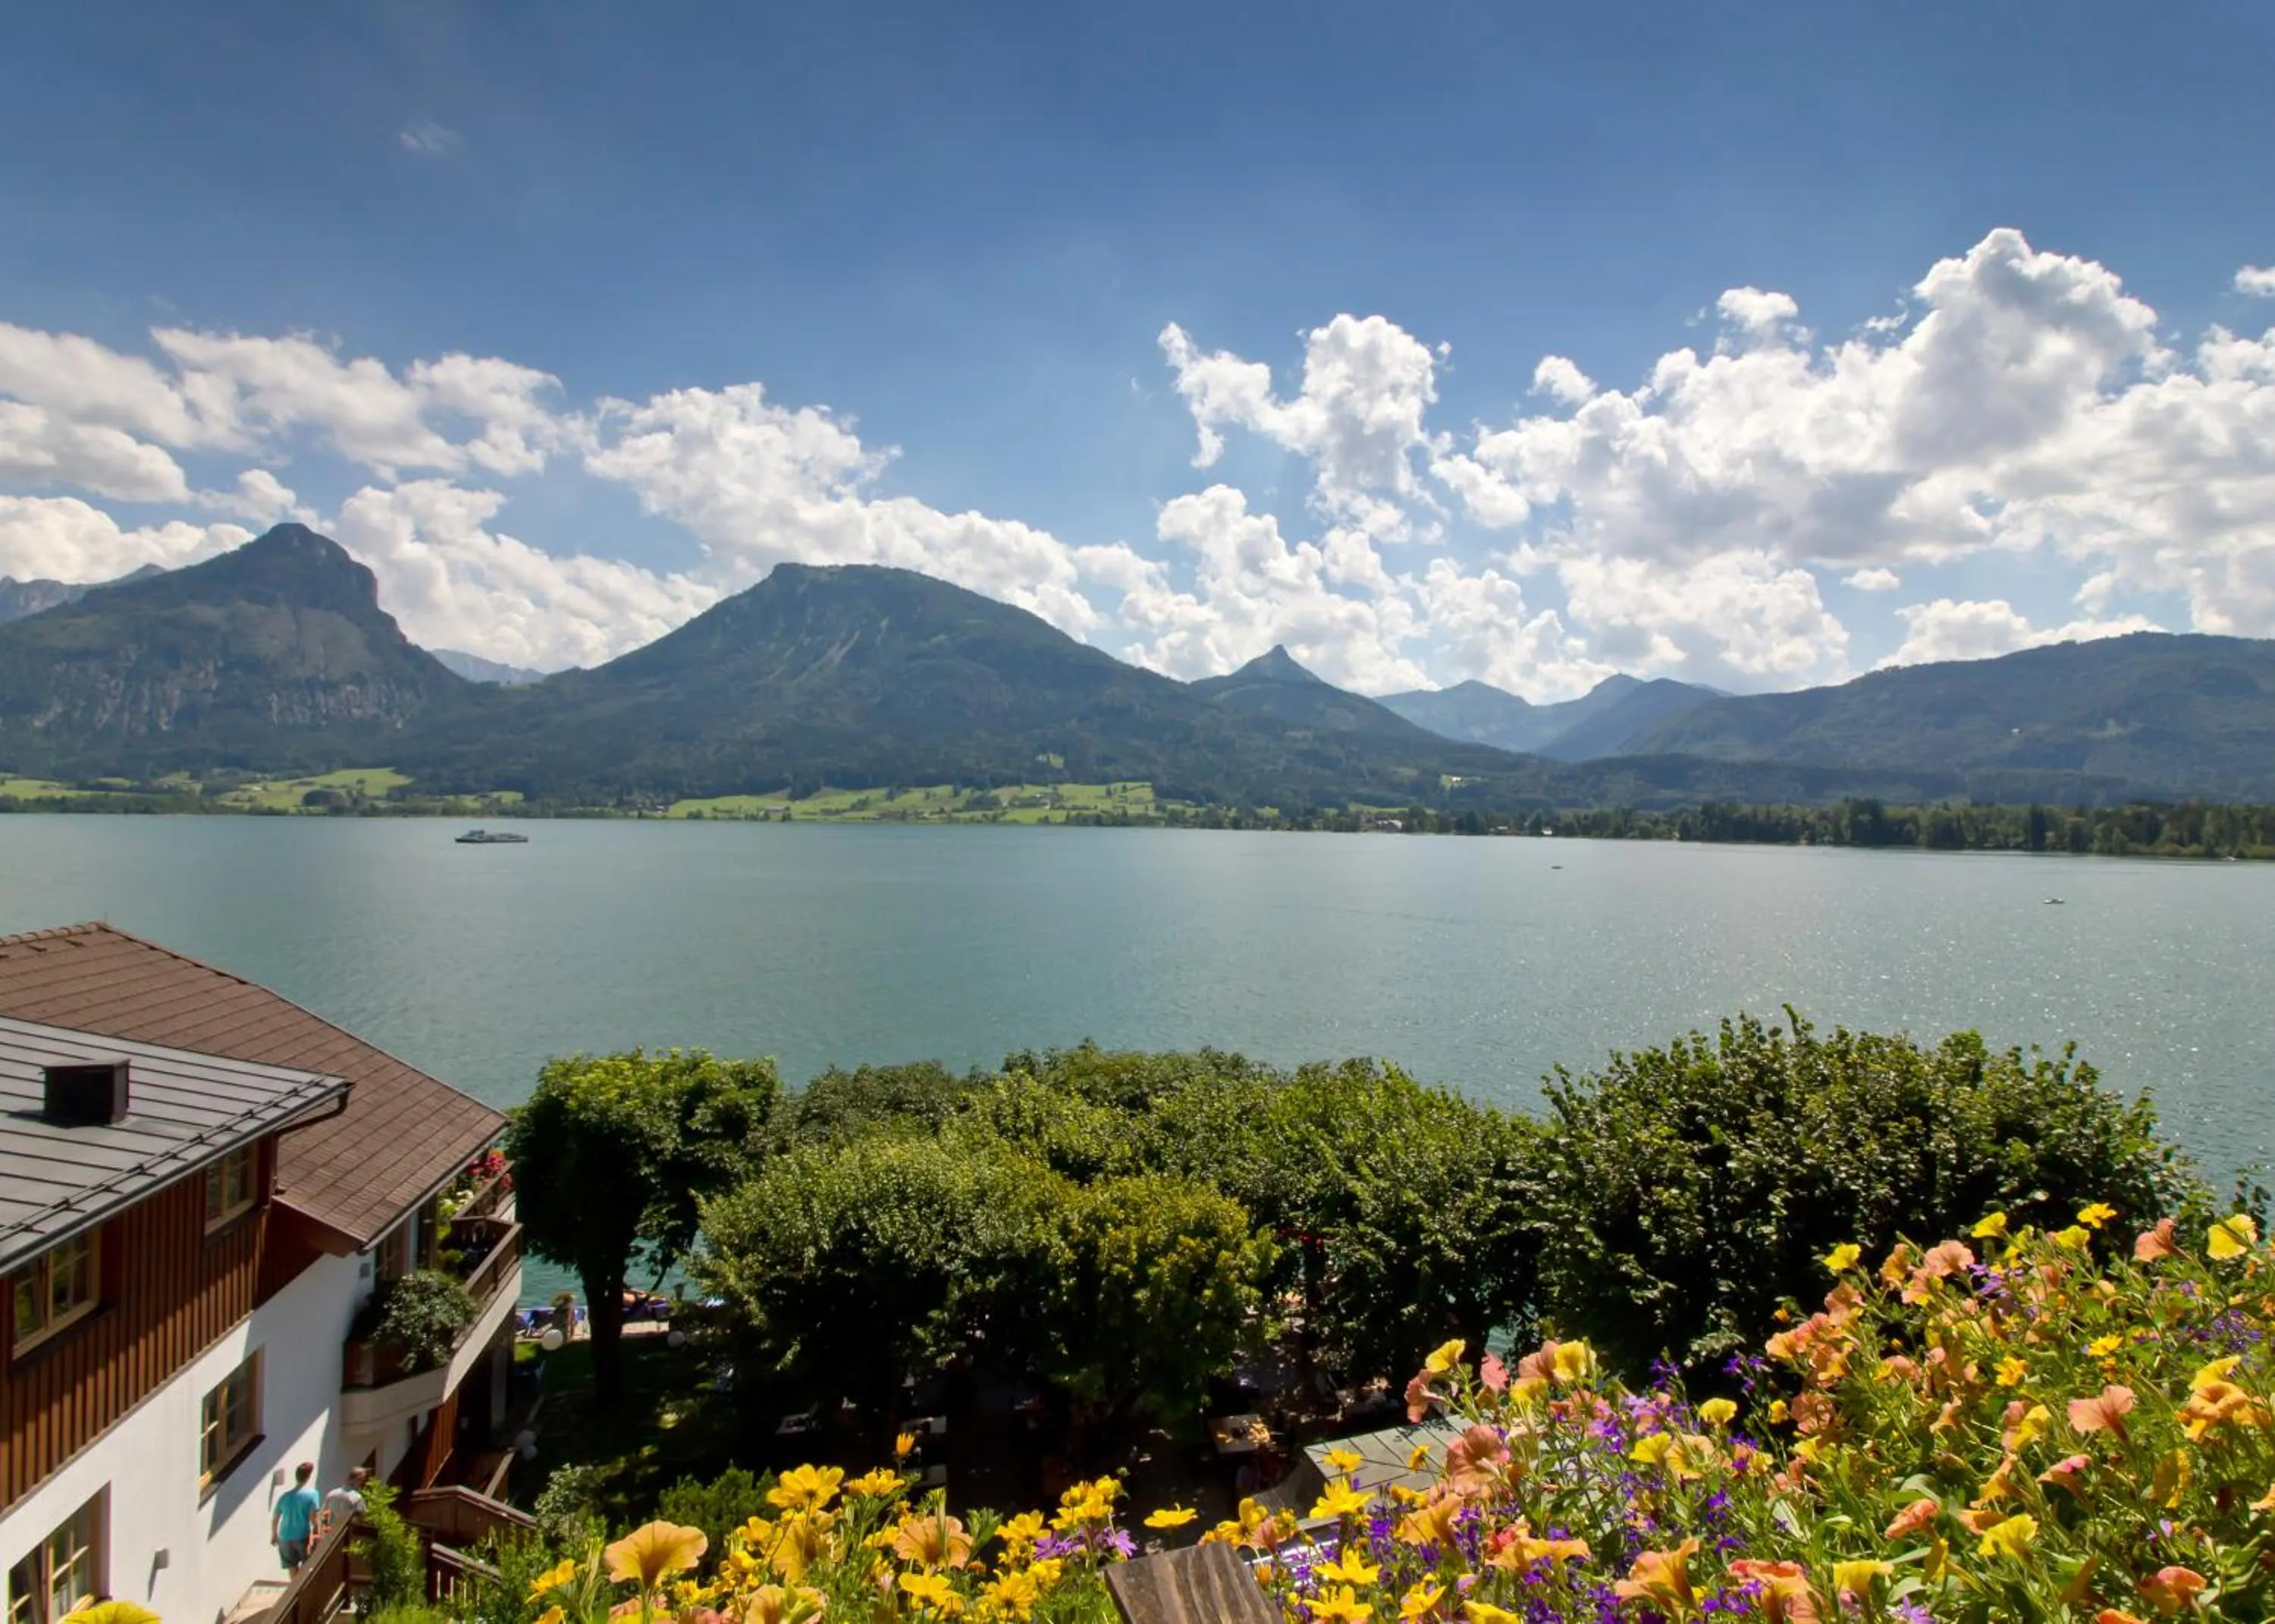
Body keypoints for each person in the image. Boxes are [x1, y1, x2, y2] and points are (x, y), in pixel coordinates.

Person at [273, 1461, 322, 1571]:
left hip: (284, 1537)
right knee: (306, 1567)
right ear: (308, 1477)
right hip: (301, 1537)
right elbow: (314, 1519)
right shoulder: (312, 1494)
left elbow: (275, 1518)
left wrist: (274, 1535)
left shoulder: (285, 1497)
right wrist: (317, 1535)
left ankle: (295, 1587)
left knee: (292, 1567)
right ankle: (304, 1588)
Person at [318, 1465, 370, 1538]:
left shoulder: (331, 1494)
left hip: (329, 1536)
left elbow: (322, 1516)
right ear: (357, 1480)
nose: (363, 1483)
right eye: (362, 1480)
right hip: (346, 1537)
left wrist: (322, 1534)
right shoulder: (357, 1498)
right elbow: (362, 1518)